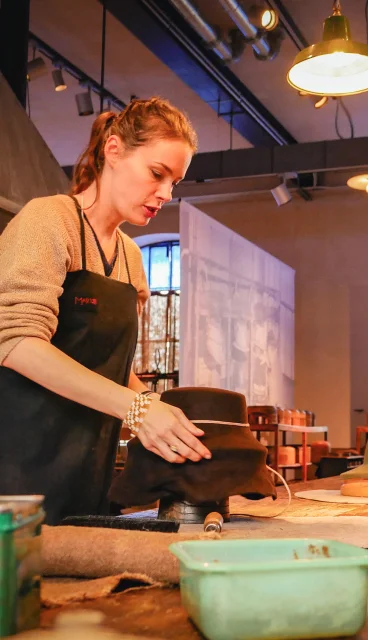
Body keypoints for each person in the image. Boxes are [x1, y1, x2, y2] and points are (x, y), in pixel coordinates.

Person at [0, 97, 211, 525]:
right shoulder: (49, 221)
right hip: (19, 467)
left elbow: (110, 367)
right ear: (113, 150)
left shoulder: (132, 257)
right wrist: (135, 409)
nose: (165, 194)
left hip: (88, 472)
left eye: (175, 182)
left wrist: (158, 411)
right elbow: (15, 341)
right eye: (157, 174)